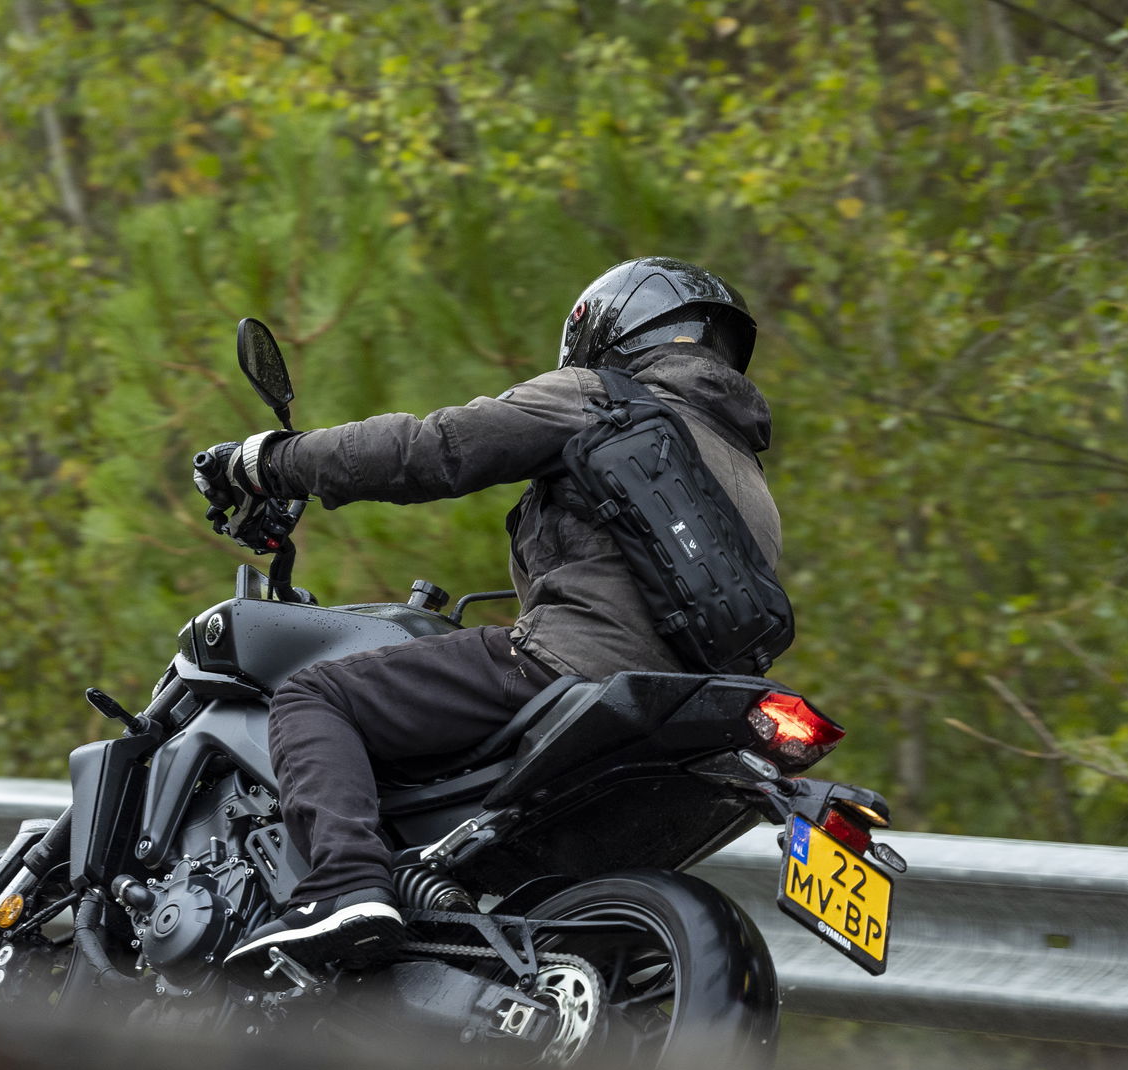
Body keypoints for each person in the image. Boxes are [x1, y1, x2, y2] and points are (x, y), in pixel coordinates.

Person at [194, 258, 783, 985]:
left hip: (575, 666)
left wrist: (269, 461)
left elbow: (431, 450)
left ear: (609, 330)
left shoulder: (600, 395)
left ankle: (345, 887)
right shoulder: (746, 474)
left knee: (315, 696)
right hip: (692, 702)